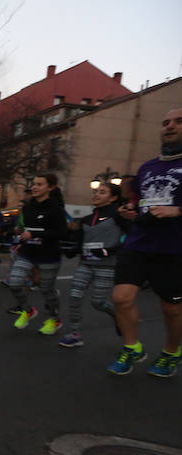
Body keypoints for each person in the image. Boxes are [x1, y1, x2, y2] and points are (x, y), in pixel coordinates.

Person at [107, 108, 182, 377]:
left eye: (178, 121)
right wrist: (129, 210)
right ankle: (133, 348)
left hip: (173, 248)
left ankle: (172, 352)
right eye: (165, 122)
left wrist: (178, 210)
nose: (169, 126)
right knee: (121, 298)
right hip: (138, 243)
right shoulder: (147, 167)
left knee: (171, 309)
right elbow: (136, 200)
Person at [58, 183, 128, 348]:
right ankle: (75, 334)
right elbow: (80, 242)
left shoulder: (119, 216)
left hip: (107, 265)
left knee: (98, 302)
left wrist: (109, 250)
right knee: (74, 295)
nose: (96, 194)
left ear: (113, 198)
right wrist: (72, 249)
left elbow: (130, 238)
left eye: (102, 192)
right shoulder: (87, 218)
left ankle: (119, 316)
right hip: (85, 263)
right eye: (96, 191)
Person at [6, 173, 67, 335]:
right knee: (14, 282)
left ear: (50, 188)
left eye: (40, 184)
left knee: (46, 289)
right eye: (34, 184)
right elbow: (27, 229)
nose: (34, 187)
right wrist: (22, 241)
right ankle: (28, 310)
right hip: (28, 252)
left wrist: (36, 235)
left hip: (49, 255)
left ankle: (54, 319)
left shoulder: (56, 208)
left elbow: (61, 233)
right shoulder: (28, 206)